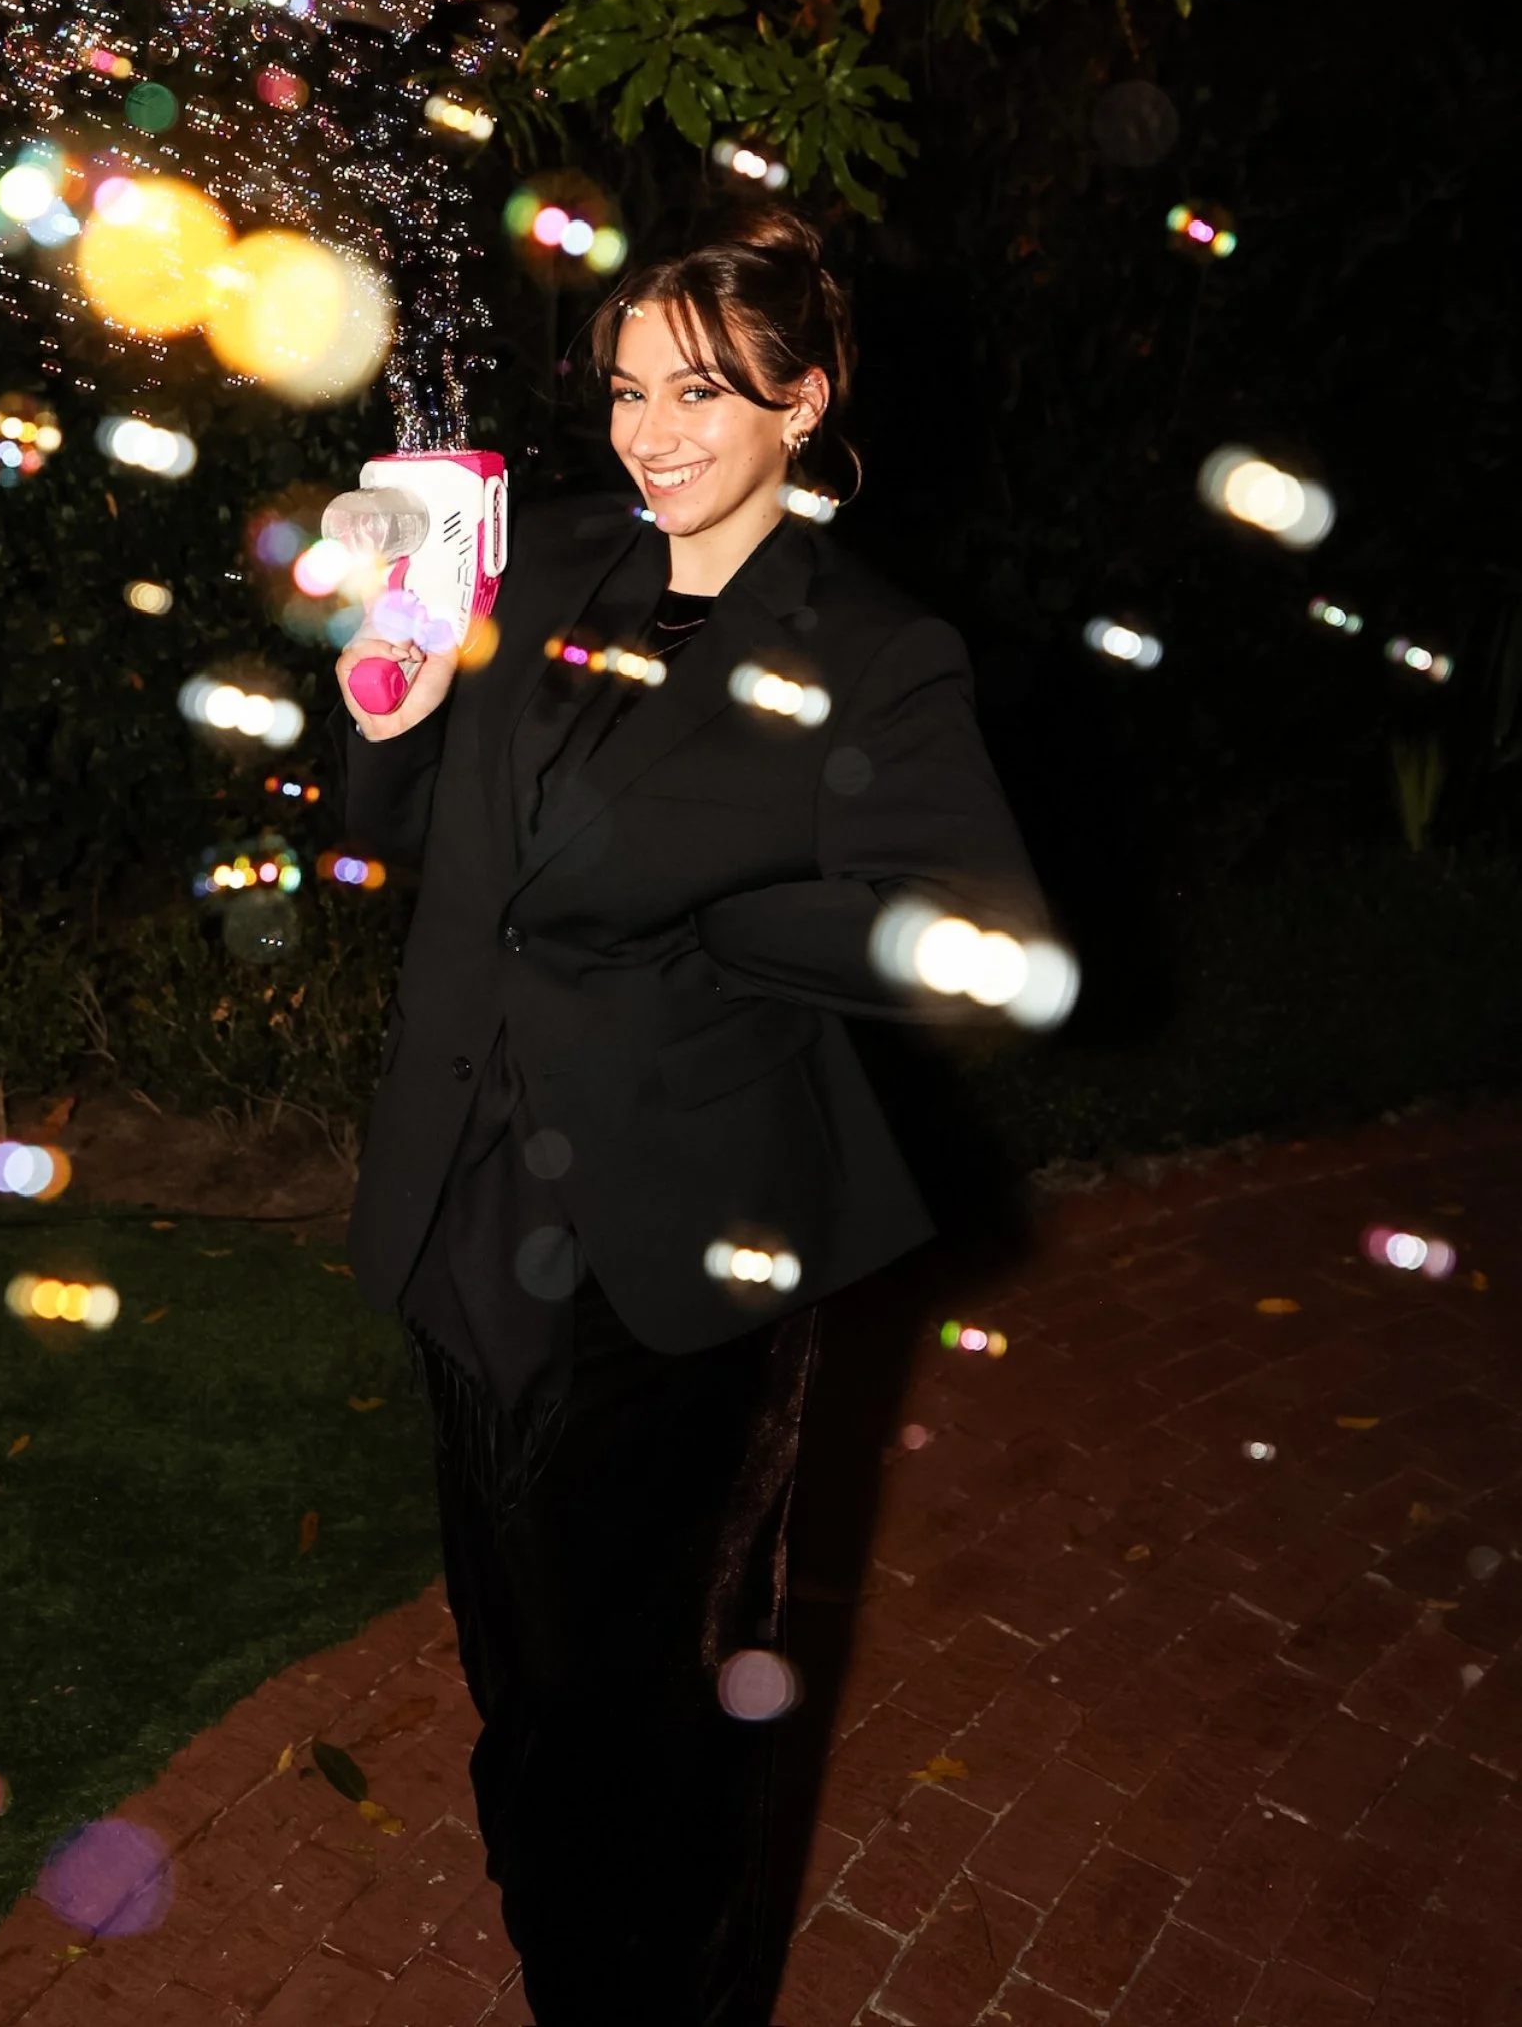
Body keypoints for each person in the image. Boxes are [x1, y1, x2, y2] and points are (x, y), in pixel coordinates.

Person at [334, 203, 1047, 2027]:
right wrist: (387, 684)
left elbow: (990, 945)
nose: (650, 430)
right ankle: (572, 1967)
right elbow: (420, 835)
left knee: (657, 1709)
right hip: (470, 1198)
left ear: (804, 402)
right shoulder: (546, 556)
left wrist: (728, 911)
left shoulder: (876, 649)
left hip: (681, 1248)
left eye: (705, 392)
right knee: (520, 1678)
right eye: (629, 385)